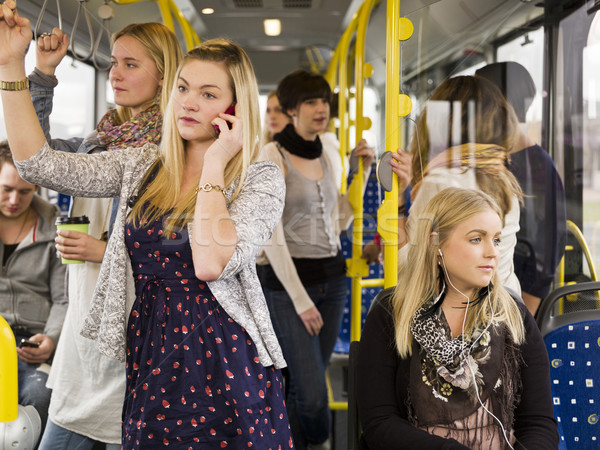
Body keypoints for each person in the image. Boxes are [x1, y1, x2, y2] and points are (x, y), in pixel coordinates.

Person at [0, 6, 293, 448]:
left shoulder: (259, 175)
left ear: (235, 107)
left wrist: (214, 162)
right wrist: (11, 67)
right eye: (183, 88)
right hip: (150, 354)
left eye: (209, 94)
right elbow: (37, 164)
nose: (189, 102)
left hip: (225, 358)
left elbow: (212, 263)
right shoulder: (142, 164)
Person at [29, 23, 182, 449]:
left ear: (165, 76)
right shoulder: (100, 141)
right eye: (114, 62)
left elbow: (184, 251)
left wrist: (105, 250)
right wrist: (42, 74)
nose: (115, 74)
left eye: (131, 65)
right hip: (82, 335)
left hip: (135, 335)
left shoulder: (174, 153)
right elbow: (36, 157)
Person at [357, 187, 558, 450]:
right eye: (477, 239)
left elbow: (539, 423)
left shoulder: (513, 315)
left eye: (496, 240)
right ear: (436, 244)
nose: (492, 252)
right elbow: (380, 423)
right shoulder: (391, 314)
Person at [257, 69, 374, 450]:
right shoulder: (271, 155)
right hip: (289, 287)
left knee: (304, 386)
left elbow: (339, 219)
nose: (320, 108)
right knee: (310, 394)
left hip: (333, 278)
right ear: (291, 110)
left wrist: (363, 173)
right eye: (310, 101)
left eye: (324, 100)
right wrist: (301, 300)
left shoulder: (329, 149)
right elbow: (270, 237)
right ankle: (321, 443)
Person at [394, 75, 523, 297]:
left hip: (460, 313)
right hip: (507, 304)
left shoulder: (439, 182)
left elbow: (409, 266)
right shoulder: (504, 181)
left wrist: (397, 204)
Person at [476, 61, 567, 315]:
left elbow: (545, 251)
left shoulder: (536, 167)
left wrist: (523, 315)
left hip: (516, 307)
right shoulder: (494, 159)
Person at [0, 141, 67, 432]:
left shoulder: (56, 227)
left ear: (37, 188)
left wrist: (50, 338)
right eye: (6, 189)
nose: (14, 199)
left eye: (25, 191)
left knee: (41, 396)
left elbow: (64, 299)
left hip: (32, 343)